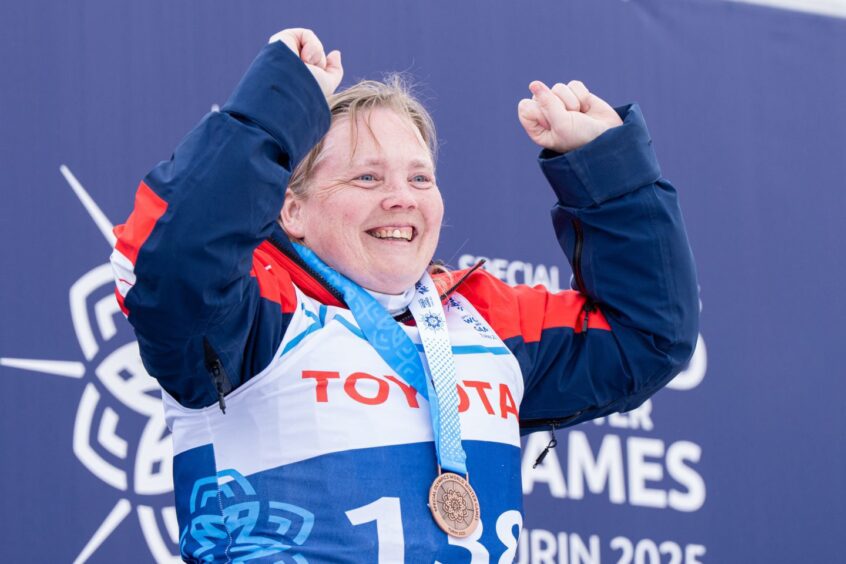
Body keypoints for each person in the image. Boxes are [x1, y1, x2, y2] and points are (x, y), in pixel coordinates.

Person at [111, 28, 698, 563]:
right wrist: (276, 107)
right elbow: (172, 264)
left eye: (420, 178)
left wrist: (608, 166)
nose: (402, 198)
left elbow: (647, 334)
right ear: (290, 208)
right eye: (367, 177)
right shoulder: (252, 313)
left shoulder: (483, 322)